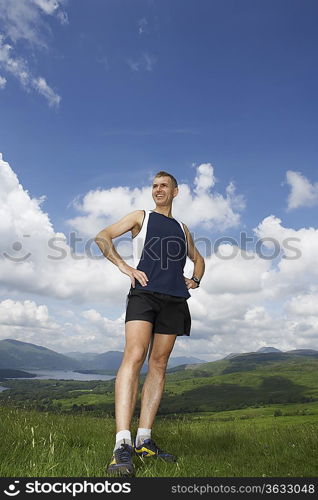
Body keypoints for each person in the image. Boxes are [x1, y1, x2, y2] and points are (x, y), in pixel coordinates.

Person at [94, 171, 205, 476]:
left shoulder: (183, 229)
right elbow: (102, 236)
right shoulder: (140, 216)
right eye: (154, 186)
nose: (158, 189)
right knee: (134, 356)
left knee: (158, 364)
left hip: (174, 300)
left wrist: (194, 280)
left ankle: (145, 439)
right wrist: (124, 266)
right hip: (143, 294)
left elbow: (199, 260)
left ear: (175, 192)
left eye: (163, 186)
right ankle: (121, 446)